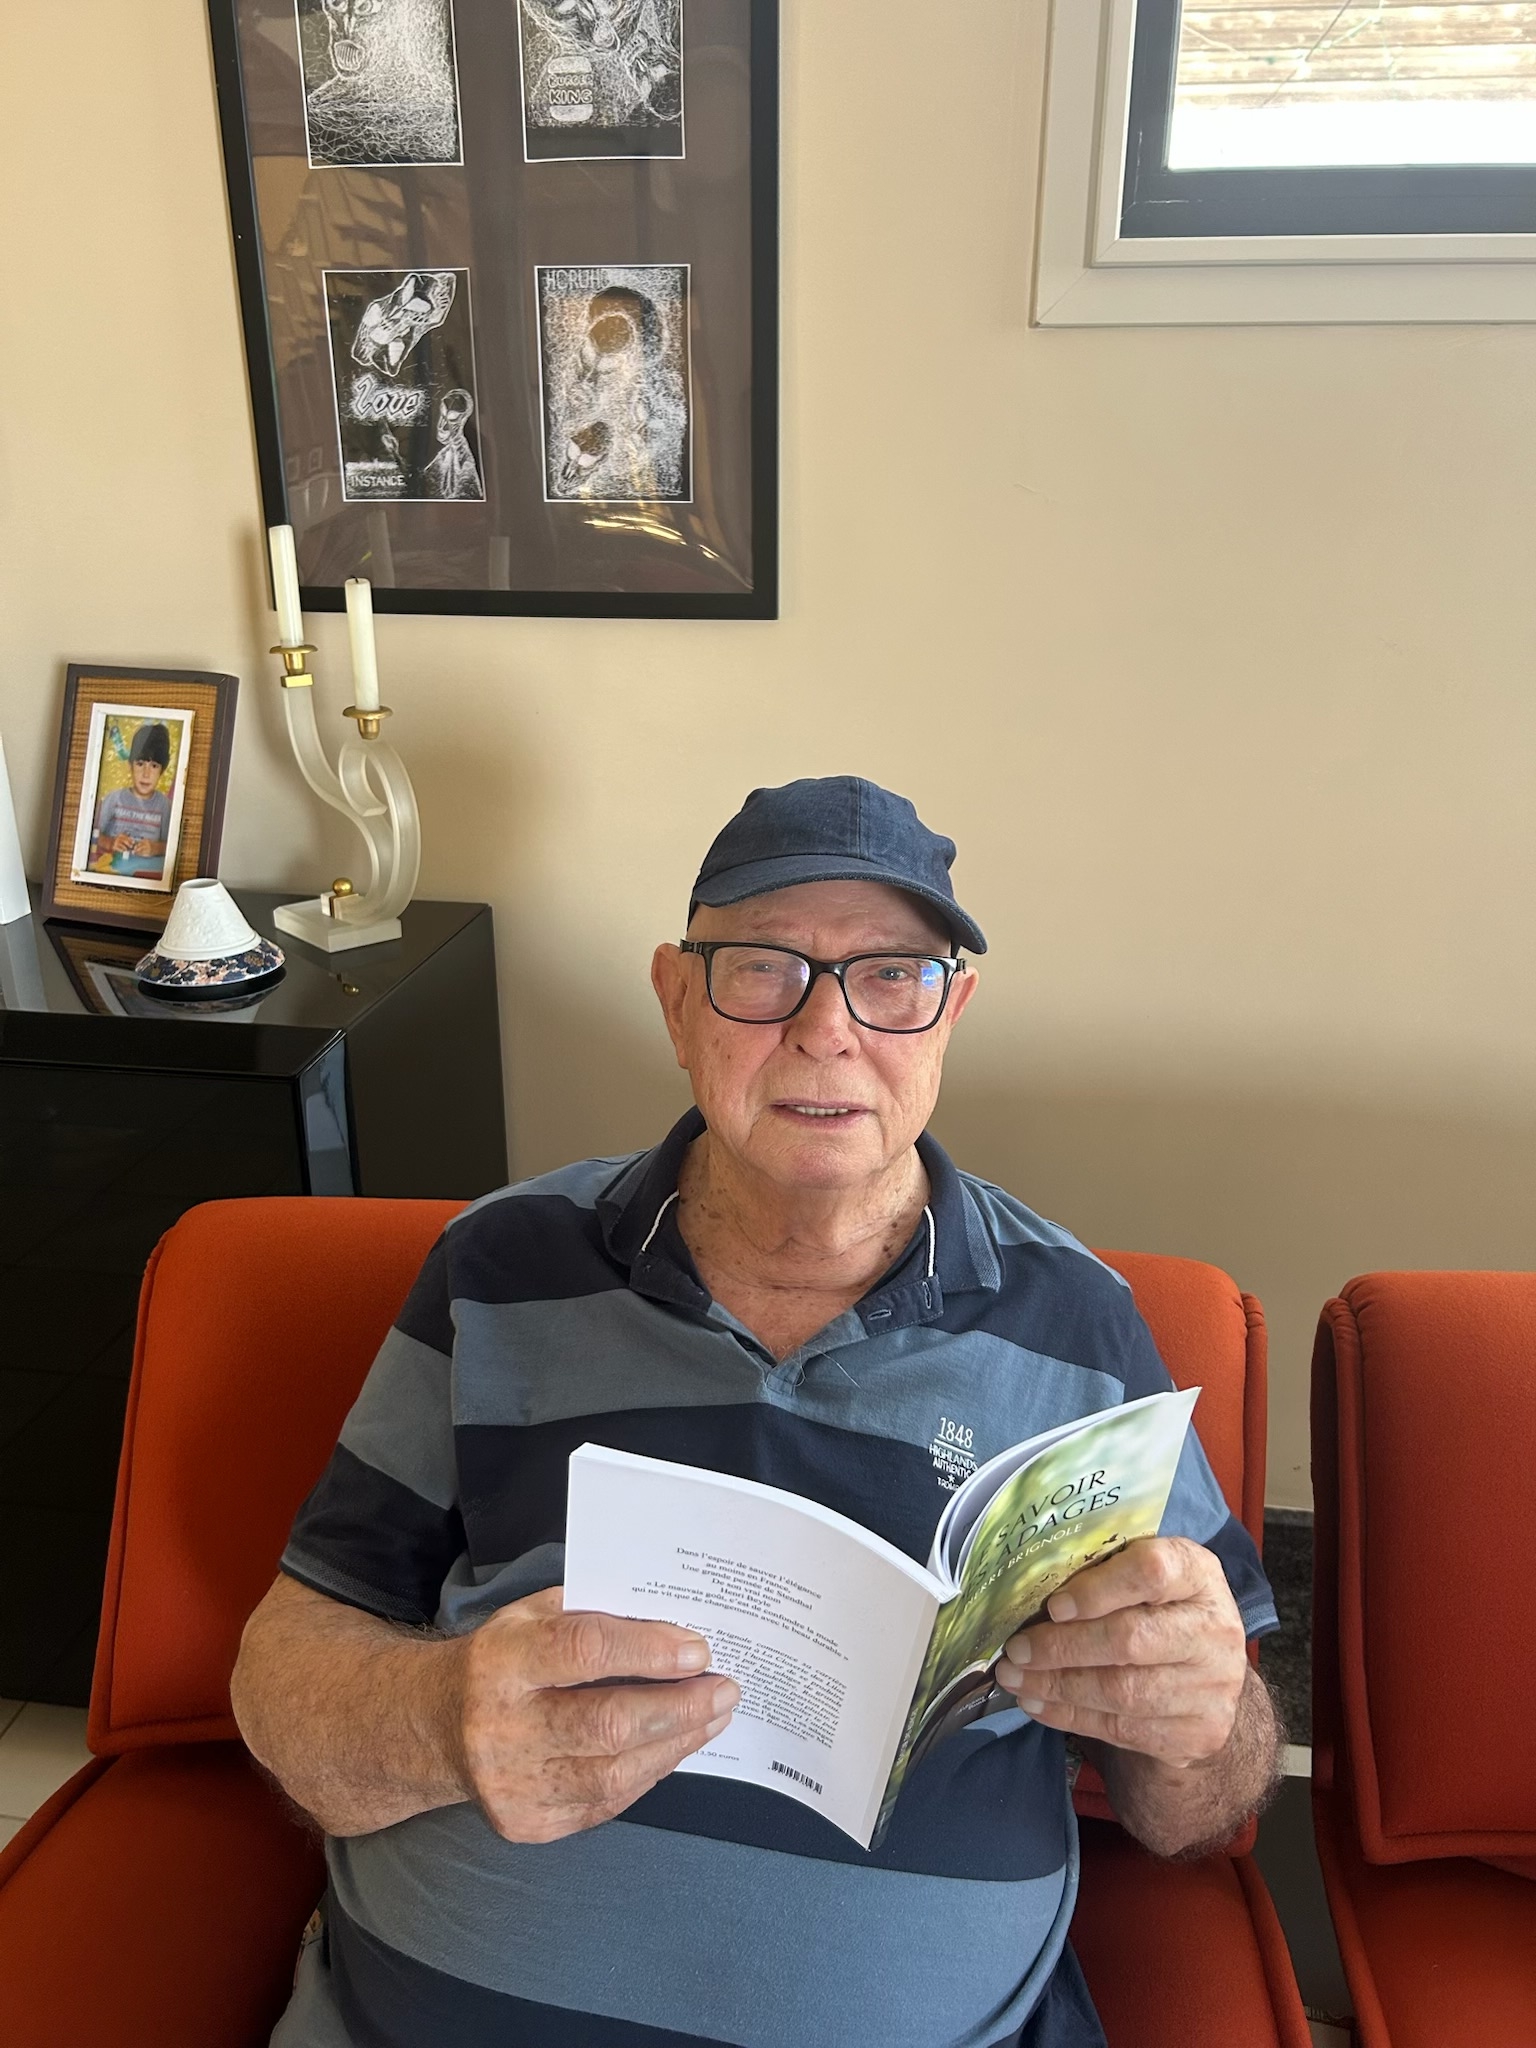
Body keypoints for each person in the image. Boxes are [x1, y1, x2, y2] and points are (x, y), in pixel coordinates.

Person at [234, 776, 1282, 2048]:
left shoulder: (1079, 1324)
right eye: (764, 969)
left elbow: (1204, 1808)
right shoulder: (498, 1263)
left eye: (891, 975)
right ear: (677, 999)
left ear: (950, 1013)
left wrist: (1198, 1716)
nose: (827, 1030)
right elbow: (286, 1665)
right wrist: (441, 1719)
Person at [89, 721, 172, 876]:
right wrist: (111, 843)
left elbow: (172, 846)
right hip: (113, 869)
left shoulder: (165, 806)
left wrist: (154, 848)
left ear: (162, 770)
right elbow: (91, 834)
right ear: (130, 765)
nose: (146, 774)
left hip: (144, 875)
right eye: (140, 764)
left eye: (154, 766)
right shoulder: (114, 799)